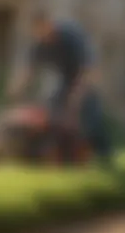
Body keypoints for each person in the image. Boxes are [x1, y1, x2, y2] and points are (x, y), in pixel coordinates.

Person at [8, 9, 113, 166]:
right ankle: (55, 153)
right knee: (51, 110)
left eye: (41, 30)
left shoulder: (71, 35)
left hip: (87, 75)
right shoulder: (39, 43)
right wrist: (15, 90)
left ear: (48, 24)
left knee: (90, 116)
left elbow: (88, 68)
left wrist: (76, 96)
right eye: (35, 33)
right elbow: (27, 70)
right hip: (65, 80)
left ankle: (105, 156)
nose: (40, 37)